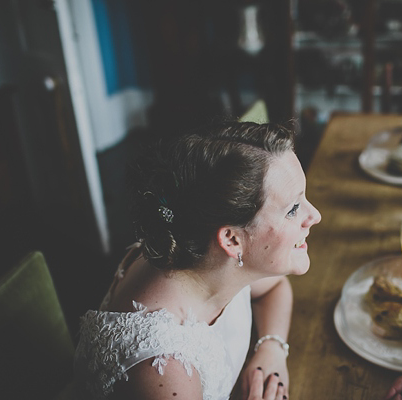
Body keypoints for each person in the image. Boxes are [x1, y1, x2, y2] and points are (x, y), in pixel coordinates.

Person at [73, 120, 321, 400]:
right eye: (293, 209)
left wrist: (271, 348)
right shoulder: (165, 371)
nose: (315, 216)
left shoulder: (203, 256)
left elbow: (275, 287)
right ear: (231, 240)